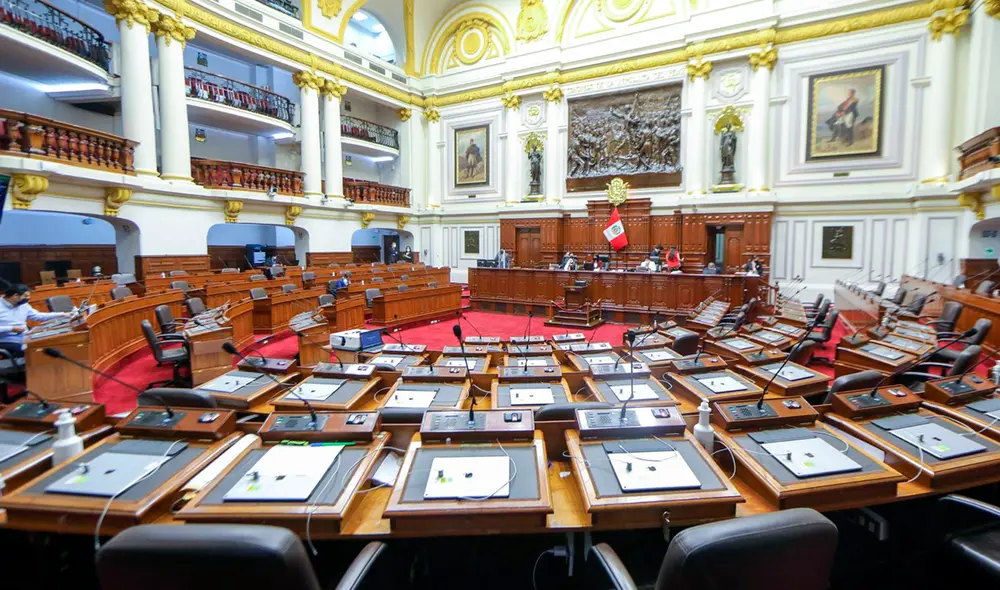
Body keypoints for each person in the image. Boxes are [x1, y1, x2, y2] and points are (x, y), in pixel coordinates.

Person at [0, 284, 73, 358]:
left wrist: (62, 314)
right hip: (6, 340)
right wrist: (12, 328)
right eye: (26, 296)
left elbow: (38, 316)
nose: (28, 298)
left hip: (26, 335)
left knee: (49, 343)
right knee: (35, 351)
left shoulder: (23, 305)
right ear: (15, 296)